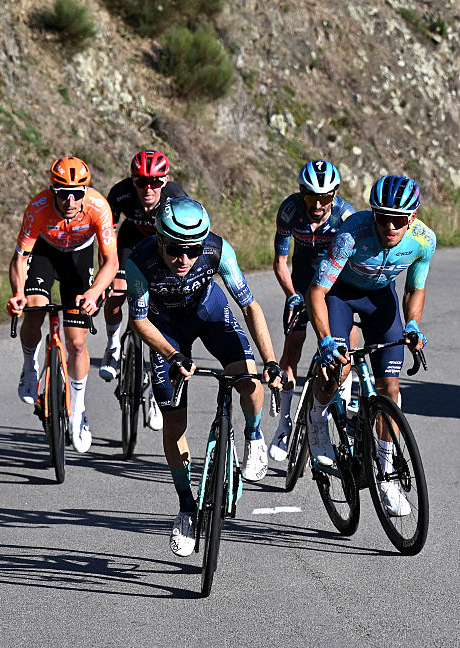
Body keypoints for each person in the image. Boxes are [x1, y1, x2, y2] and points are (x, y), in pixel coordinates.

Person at [124, 196, 282, 557]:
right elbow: (140, 321)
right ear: (160, 241)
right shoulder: (140, 263)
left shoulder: (217, 251)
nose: (184, 259)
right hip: (167, 334)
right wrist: (172, 354)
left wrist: (270, 360)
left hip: (210, 316)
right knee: (174, 421)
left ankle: (253, 435)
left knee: (250, 380)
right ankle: (185, 506)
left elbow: (250, 306)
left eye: (192, 250)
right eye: (176, 250)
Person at [306, 174, 435, 517]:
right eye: (383, 217)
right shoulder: (351, 234)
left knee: (390, 387)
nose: (390, 226)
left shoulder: (423, 240)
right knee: (339, 365)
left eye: (399, 219)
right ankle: (317, 417)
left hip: (381, 299)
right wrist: (324, 340)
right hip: (341, 295)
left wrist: (412, 323)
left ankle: (387, 474)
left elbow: (415, 287)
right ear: (373, 214)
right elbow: (316, 292)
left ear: (413, 216)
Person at [7, 156, 117, 454]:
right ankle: (30, 366)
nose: (69, 199)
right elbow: (19, 258)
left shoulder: (98, 207)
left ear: (85, 191)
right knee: (33, 309)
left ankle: (79, 410)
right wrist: (18, 292)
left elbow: (111, 261)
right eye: (62, 192)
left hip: (79, 259)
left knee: (77, 343)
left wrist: (94, 293)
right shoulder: (39, 208)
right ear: (52, 190)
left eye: (77, 192)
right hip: (45, 253)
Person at [268, 160, 356, 462]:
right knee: (291, 350)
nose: (317, 205)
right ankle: (284, 423)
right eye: (311, 197)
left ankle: (345, 386)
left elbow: (354, 265)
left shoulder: (346, 215)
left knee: (349, 337)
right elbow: (280, 262)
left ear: (335, 195)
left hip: (334, 279)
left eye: (325, 198)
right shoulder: (290, 211)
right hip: (303, 275)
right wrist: (292, 296)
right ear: (301, 192)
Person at [99, 150, 188, 396]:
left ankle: (158, 387)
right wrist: (105, 277)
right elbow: (106, 242)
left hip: (163, 247)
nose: (148, 189)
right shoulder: (121, 193)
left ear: (166, 181)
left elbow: (185, 247)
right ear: (132, 180)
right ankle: (113, 346)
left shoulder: (177, 199)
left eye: (155, 182)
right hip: (131, 239)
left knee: (163, 310)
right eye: (141, 181)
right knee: (116, 292)